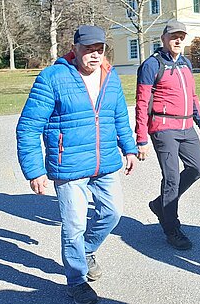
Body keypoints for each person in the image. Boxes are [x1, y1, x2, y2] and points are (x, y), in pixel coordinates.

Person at [16, 25, 138, 304]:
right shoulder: (52, 77)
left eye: (99, 49)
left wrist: (129, 149)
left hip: (105, 162)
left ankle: (86, 250)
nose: (95, 55)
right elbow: (28, 127)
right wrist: (35, 170)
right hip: (68, 165)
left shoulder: (110, 75)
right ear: (75, 49)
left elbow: (119, 116)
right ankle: (76, 281)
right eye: (88, 49)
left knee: (113, 213)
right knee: (74, 226)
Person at [135, 19, 200, 250]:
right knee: (172, 178)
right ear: (163, 39)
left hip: (186, 126)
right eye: (173, 37)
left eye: (181, 37)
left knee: (197, 169)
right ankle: (171, 228)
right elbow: (142, 103)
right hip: (163, 127)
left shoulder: (186, 63)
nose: (178, 41)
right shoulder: (151, 65)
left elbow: (192, 96)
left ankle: (160, 205)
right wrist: (141, 138)